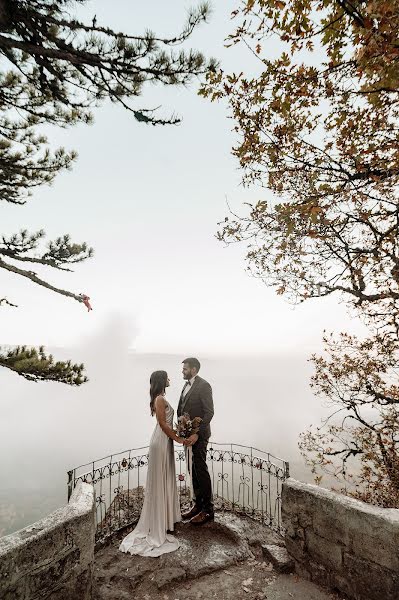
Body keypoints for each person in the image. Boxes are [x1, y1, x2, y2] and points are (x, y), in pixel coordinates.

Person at [119, 370, 186, 557]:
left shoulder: (160, 398)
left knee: (164, 478)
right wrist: (179, 438)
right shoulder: (159, 399)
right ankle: (157, 524)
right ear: (162, 381)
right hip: (161, 440)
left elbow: (168, 425)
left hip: (166, 440)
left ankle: (163, 521)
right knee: (159, 480)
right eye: (167, 377)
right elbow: (163, 425)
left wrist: (178, 431)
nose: (170, 379)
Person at [178, 357, 215, 525]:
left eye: (185, 369)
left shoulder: (204, 386)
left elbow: (209, 413)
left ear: (193, 369)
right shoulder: (186, 386)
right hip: (188, 437)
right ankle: (197, 505)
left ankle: (208, 511)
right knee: (192, 471)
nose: (182, 371)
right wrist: (182, 430)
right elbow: (182, 410)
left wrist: (196, 434)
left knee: (200, 470)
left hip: (199, 437)